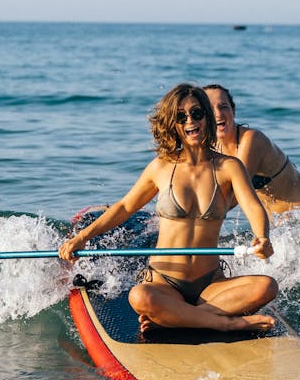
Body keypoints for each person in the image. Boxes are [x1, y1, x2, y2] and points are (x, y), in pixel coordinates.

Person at [59, 83, 278, 334]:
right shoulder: (161, 167)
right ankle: (224, 323)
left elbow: (252, 206)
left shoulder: (230, 167)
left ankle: (174, 317)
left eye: (197, 113)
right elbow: (125, 207)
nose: (190, 121)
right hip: (164, 283)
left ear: (206, 116)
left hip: (211, 284)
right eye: (181, 117)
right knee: (140, 297)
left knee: (266, 287)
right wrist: (82, 237)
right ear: (171, 124)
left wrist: (263, 237)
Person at [204, 84, 300, 222]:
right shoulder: (212, 149)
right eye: (210, 109)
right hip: (278, 226)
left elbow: (234, 195)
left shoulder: (251, 139)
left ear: (233, 111)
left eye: (223, 107)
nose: (218, 113)